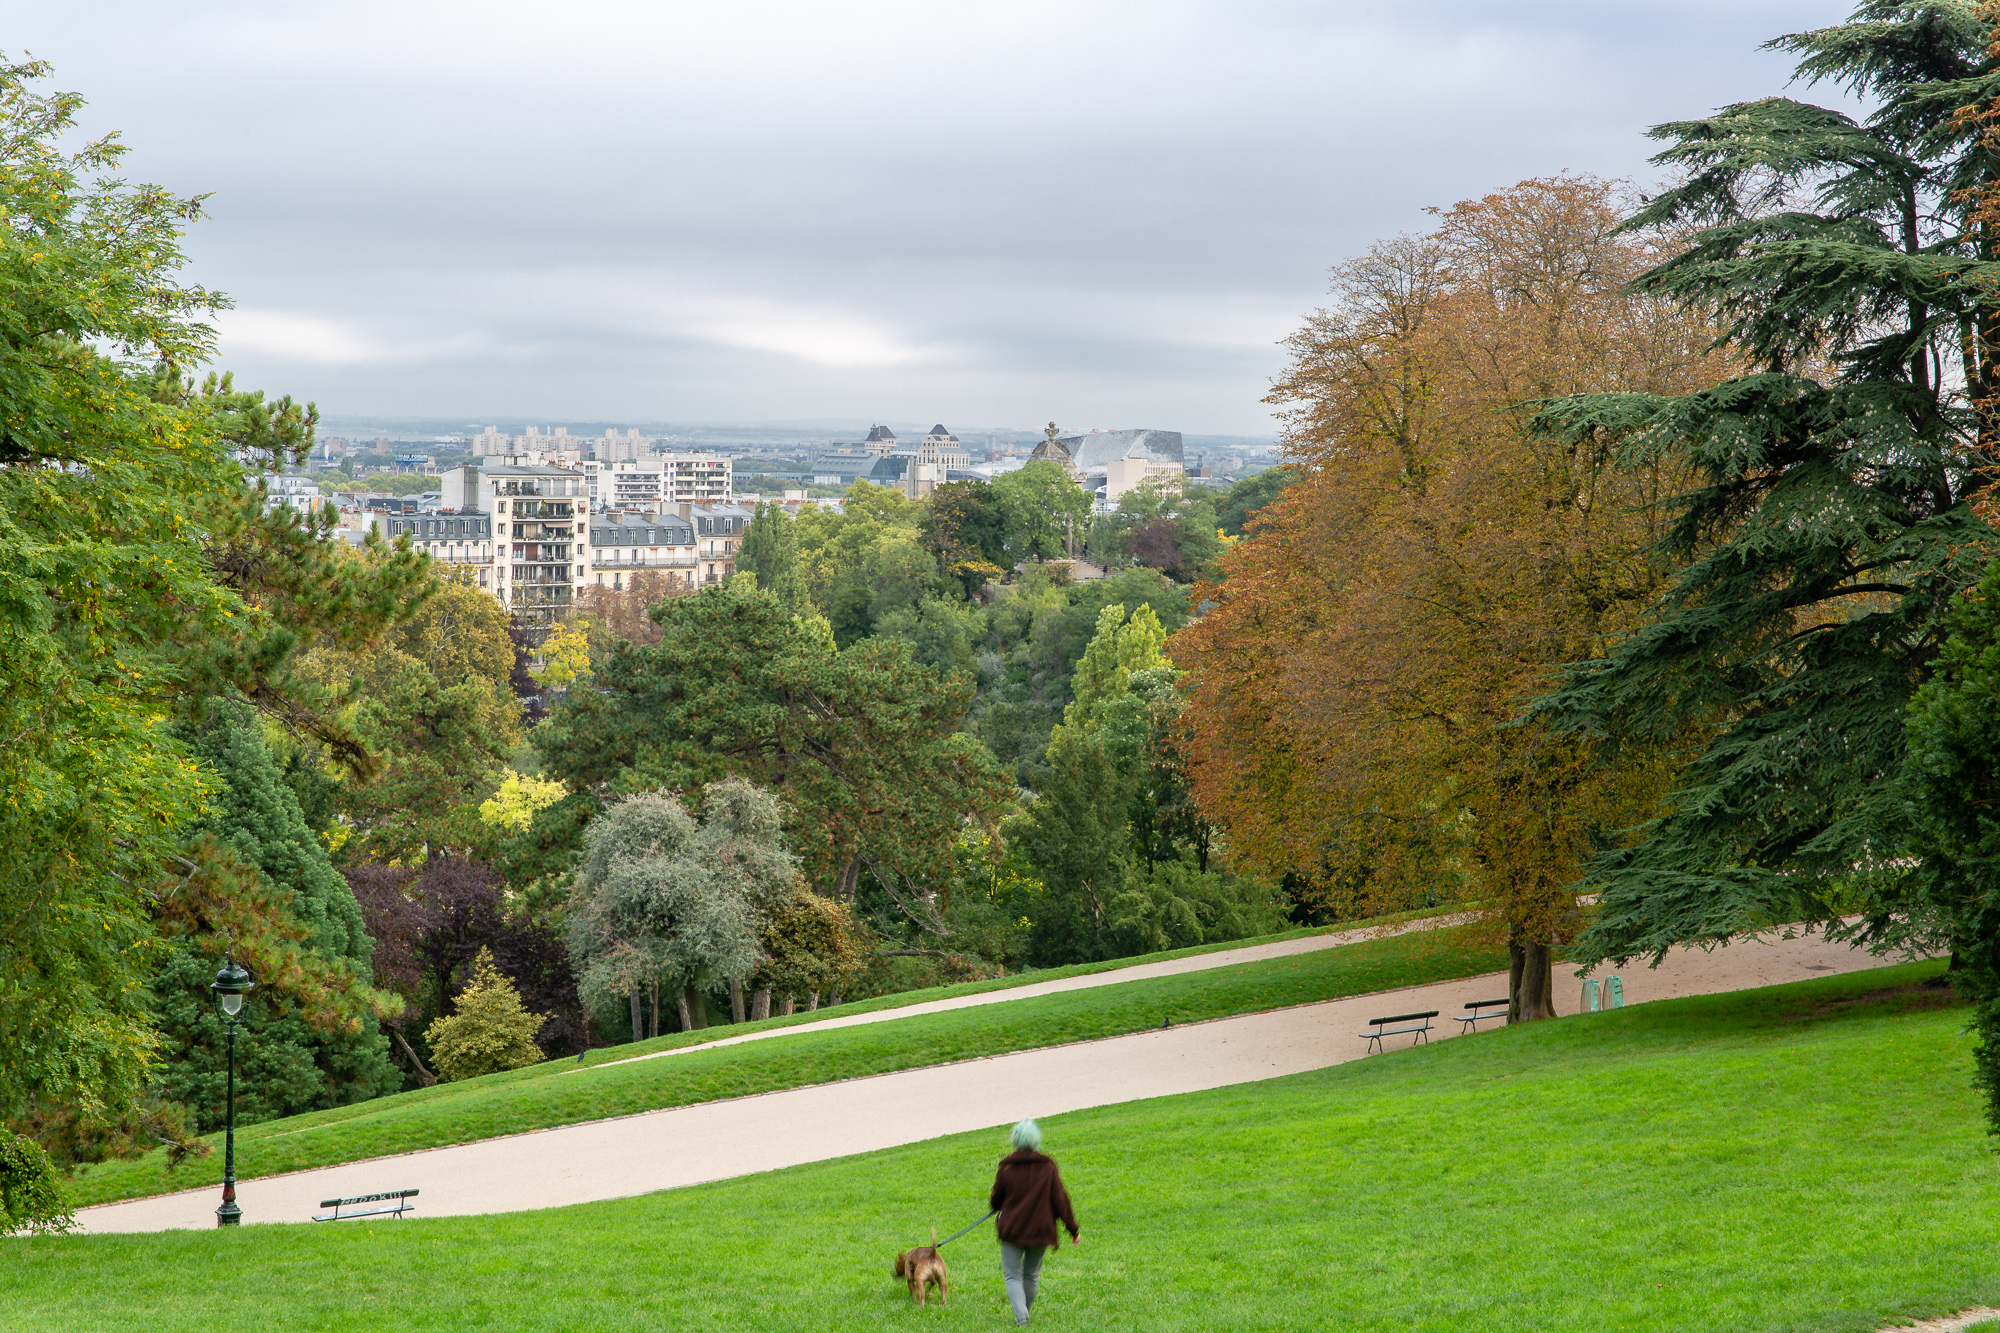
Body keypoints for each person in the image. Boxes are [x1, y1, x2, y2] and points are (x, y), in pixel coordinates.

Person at [987, 1118, 1080, 1326]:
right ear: (1037, 1140)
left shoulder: (1007, 1166)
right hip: (1041, 1231)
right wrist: (1073, 1230)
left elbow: (996, 1200)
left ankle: (1022, 1319)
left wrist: (997, 1204)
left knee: (1012, 1276)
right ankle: (1024, 1315)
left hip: (1012, 1231)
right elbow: (1061, 1200)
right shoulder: (1048, 1166)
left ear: (1015, 1140)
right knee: (1031, 1275)